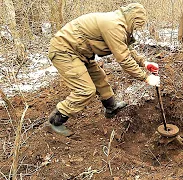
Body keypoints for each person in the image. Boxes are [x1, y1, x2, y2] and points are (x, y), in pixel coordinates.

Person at [47, 3, 160, 136]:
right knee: (85, 90)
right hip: (64, 51)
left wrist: (144, 63)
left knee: (100, 78)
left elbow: (126, 48)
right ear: (132, 19)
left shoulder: (119, 22)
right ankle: (56, 121)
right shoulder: (114, 25)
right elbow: (124, 60)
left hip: (81, 53)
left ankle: (111, 107)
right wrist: (146, 77)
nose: (136, 29)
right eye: (137, 25)